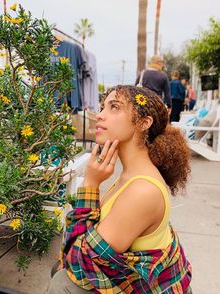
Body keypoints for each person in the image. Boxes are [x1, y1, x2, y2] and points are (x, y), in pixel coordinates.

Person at [48, 85, 192, 293]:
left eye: (114, 107)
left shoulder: (142, 190)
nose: (100, 115)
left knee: (61, 285)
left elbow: (83, 264)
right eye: (102, 107)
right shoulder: (129, 174)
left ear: (144, 123)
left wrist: (90, 185)